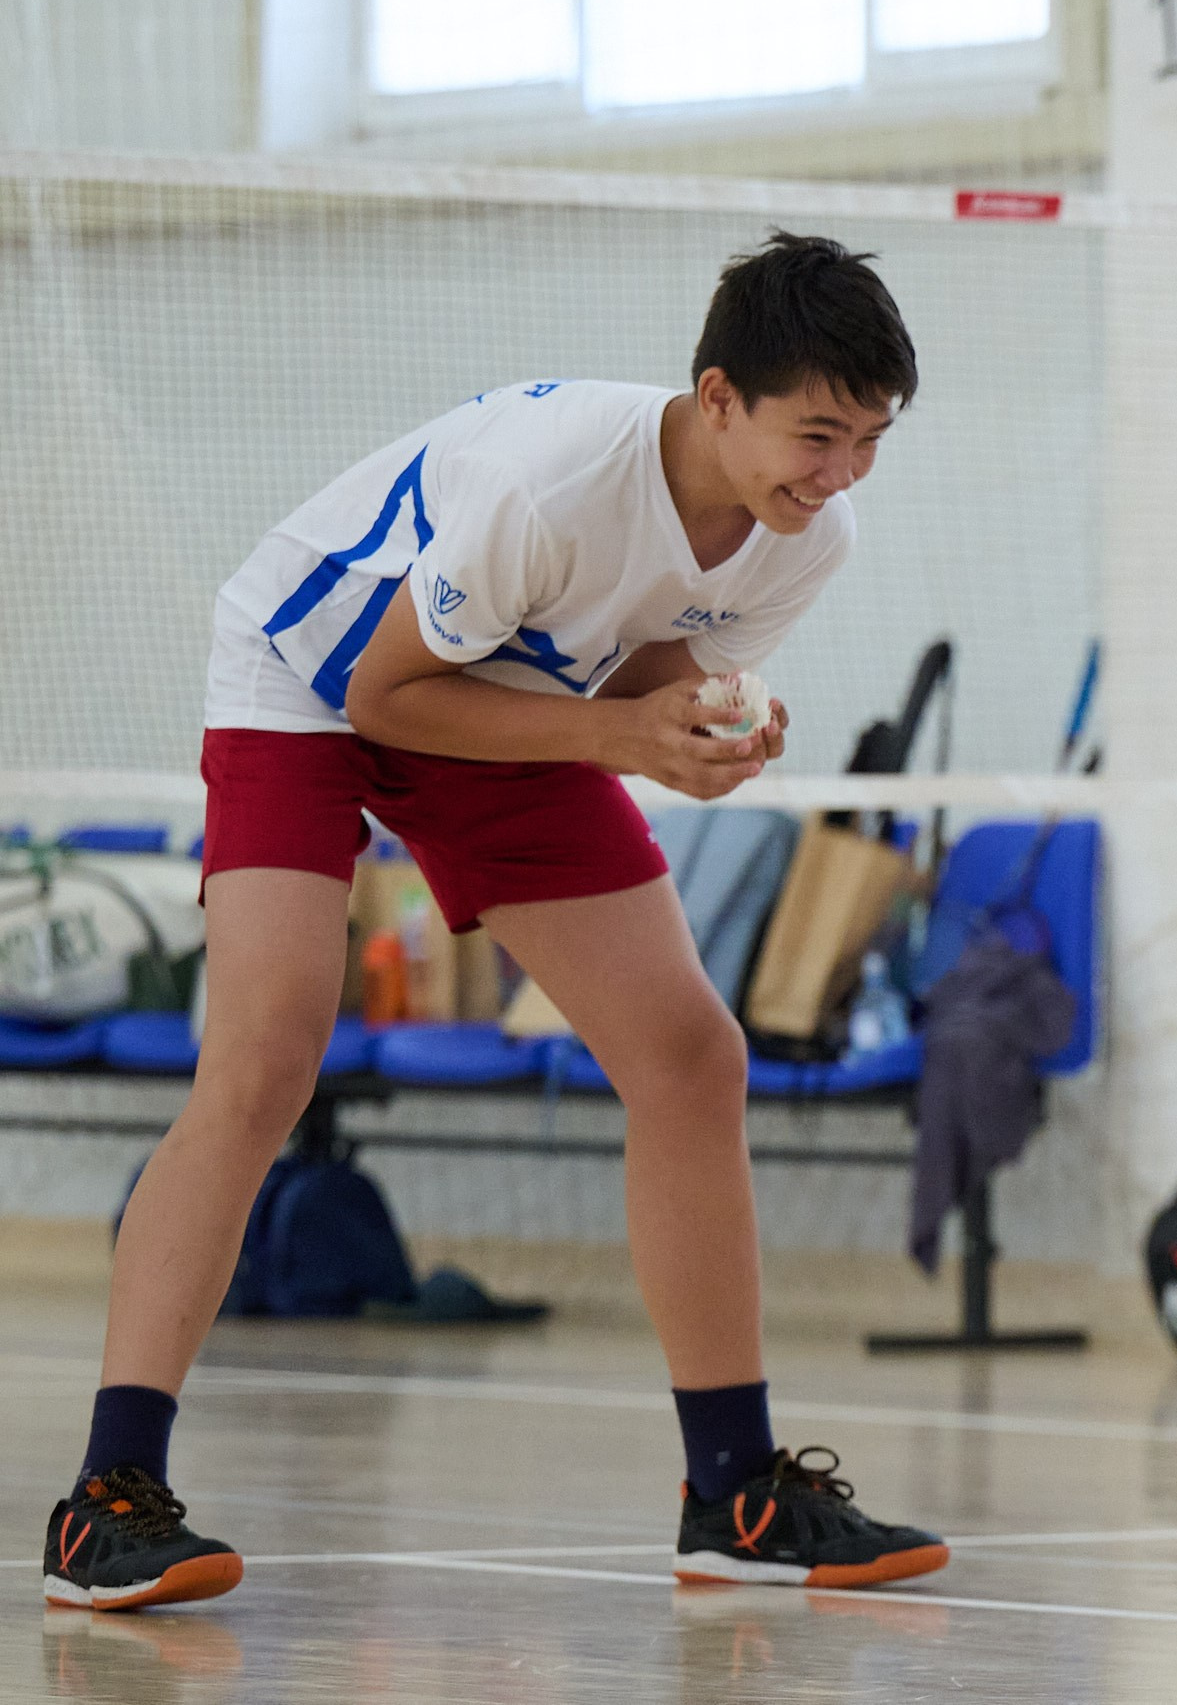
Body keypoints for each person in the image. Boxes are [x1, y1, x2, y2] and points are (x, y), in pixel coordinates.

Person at [41, 232, 950, 1613]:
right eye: (817, 437)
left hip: (500, 695)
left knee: (690, 1055)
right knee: (265, 1060)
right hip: (314, 678)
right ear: (718, 398)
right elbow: (387, 697)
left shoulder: (805, 535)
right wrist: (628, 737)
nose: (840, 475)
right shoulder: (549, 486)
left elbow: (648, 670)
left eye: (870, 441)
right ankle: (105, 1499)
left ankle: (736, 1495)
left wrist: (698, 727)